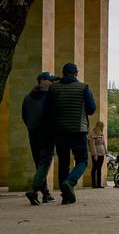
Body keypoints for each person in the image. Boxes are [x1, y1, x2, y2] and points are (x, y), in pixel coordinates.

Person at [49, 63, 96, 204]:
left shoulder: (54, 88)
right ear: (76, 73)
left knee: (63, 163)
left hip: (60, 131)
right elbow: (91, 109)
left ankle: (66, 196)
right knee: (82, 160)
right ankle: (70, 182)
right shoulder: (84, 88)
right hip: (78, 130)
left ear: (62, 73)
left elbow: (49, 109)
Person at [22, 71, 58, 205]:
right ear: (42, 81)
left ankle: (46, 194)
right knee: (45, 163)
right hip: (47, 133)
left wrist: (32, 127)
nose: (52, 82)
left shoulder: (27, 97)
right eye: (50, 80)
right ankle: (33, 190)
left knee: (39, 164)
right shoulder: (50, 97)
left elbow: (24, 116)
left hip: (33, 134)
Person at [88, 121, 107, 188]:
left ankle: (99, 184)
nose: (102, 128)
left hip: (101, 153)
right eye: (101, 127)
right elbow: (92, 145)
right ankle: (94, 184)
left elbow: (104, 144)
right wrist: (95, 154)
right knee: (94, 168)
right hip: (96, 153)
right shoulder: (93, 133)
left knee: (99, 168)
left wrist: (106, 152)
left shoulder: (101, 134)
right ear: (97, 126)